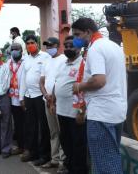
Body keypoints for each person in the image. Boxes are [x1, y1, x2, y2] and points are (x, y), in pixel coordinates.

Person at [71, 17, 127, 174]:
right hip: (116, 111)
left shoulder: (95, 49)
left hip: (101, 114)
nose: (75, 39)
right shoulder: (114, 47)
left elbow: (99, 80)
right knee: (110, 157)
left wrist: (79, 86)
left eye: (77, 35)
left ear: (88, 32)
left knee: (105, 164)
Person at [52, 36, 88, 174]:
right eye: (65, 46)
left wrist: (81, 111)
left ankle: (78, 171)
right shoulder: (63, 64)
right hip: (61, 111)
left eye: (71, 46)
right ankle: (70, 168)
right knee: (66, 143)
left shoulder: (83, 65)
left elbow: (85, 91)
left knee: (78, 145)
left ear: (79, 48)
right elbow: (57, 83)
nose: (67, 48)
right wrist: (52, 102)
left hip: (75, 113)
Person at [19, 35, 51, 166]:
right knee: (30, 125)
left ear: (37, 44)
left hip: (41, 96)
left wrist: (48, 95)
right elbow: (23, 79)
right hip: (29, 96)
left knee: (43, 127)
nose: (30, 45)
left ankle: (44, 155)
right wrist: (21, 97)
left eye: (32, 43)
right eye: (28, 43)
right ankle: (32, 152)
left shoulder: (45, 57)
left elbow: (49, 76)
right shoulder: (25, 59)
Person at [39, 37, 66, 170]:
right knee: (53, 132)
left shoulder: (64, 60)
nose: (48, 48)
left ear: (57, 45)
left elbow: (60, 81)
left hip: (58, 102)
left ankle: (62, 162)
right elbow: (41, 81)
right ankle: (54, 159)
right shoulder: (46, 61)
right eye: (46, 46)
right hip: (47, 101)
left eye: (50, 45)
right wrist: (45, 95)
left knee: (62, 132)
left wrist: (53, 99)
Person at [6, 43, 26, 156]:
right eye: (12, 49)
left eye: (17, 49)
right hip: (12, 98)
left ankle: (27, 146)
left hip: (24, 98)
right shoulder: (8, 62)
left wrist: (23, 97)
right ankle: (20, 146)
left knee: (26, 124)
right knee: (17, 124)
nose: (14, 51)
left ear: (21, 50)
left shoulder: (26, 61)